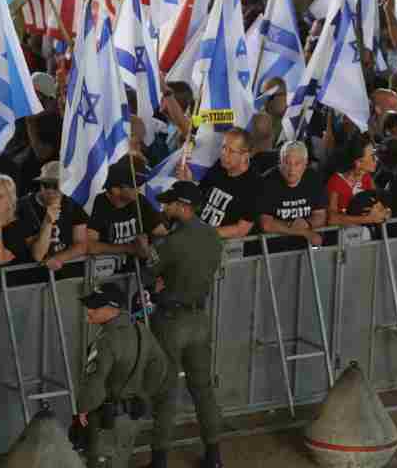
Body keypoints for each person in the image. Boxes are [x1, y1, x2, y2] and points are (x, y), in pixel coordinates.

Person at [138, 181, 226, 468]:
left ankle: (159, 460)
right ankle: (214, 456)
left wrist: (146, 252)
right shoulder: (212, 235)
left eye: (170, 203)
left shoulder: (171, 242)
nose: (165, 206)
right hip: (200, 318)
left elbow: (148, 276)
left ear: (183, 205)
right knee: (203, 389)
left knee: (166, 391)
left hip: (171, 321)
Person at [73, 283, 169, 468]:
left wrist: (82, 409)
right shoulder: (141, 330)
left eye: (95, 307)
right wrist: (143, 393)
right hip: (131, 418)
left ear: (113, 309)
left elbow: (95, 381)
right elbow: (159, 365)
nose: (89, 311)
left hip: (106, 421)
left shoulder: (106, 340)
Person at [195, 128, 260, 238]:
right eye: (224, 148)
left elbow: (241, 230)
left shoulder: (255, 185)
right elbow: (199, 193)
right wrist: (188, 179)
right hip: (199, 228)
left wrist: (203, 234)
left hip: (222, 242)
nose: (224, 154)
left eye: (231, 151)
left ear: (245, 155)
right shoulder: (220, 166)